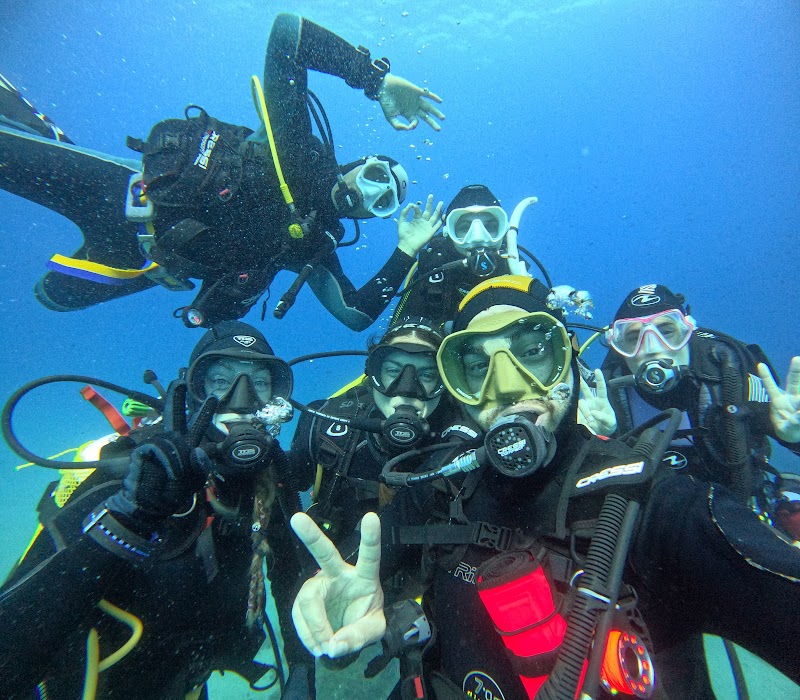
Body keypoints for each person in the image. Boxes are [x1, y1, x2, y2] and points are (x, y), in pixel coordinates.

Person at [288, 275, 800, 700]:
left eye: (533, 351)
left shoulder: (652, 508)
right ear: (459, 391)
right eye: (476, 365)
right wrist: (340, 598)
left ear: (571, 366)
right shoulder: (436, 488)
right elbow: (363, 572)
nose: (506, 385)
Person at [0, 12, 445, 329]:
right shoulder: (299, 151)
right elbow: (289, 33)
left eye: (384, 202)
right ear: (350, 167)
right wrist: (375, 79)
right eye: (373, 177)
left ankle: (42, 137)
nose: (370, 196)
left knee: (52, 298)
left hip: (141, 263)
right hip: (122, 192)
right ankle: (31, 129)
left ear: (372, 219)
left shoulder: (314, 245)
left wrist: (406, 250)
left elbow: (355, 315)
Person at [0, 321, 315, 699]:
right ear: (193, 391)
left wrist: (300, 668)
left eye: (259, 383)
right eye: (220, 381)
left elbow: (286, 574)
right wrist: (133, 513)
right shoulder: (141, 471)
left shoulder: (269, 478)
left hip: (185, 683)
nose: (242, 399)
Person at [601, 284, 800, 528]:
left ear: (688, 331)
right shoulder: (606, 392)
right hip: (650, 524)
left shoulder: (728, 375)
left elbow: (790, 432)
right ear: (617, 346)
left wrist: (793, 437)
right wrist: (590, 436)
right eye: (632, 338)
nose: (652, 348)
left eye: (666, 330)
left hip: (738, 515)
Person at [290, 317, 452, 545]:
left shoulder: (462, 441)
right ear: (374, 374)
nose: (406, 390)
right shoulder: (325, 424)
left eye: (426, 375)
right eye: (393, 371)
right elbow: (283, 494)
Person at [391, 184, 593, 327]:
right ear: (448, 233)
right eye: (463, 227)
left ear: (504, 231)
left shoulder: (514, 269)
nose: (478, 237)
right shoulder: (433, 271)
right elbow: (399, 336)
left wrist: (534, 291)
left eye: (490, 226)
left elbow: (553, 332)